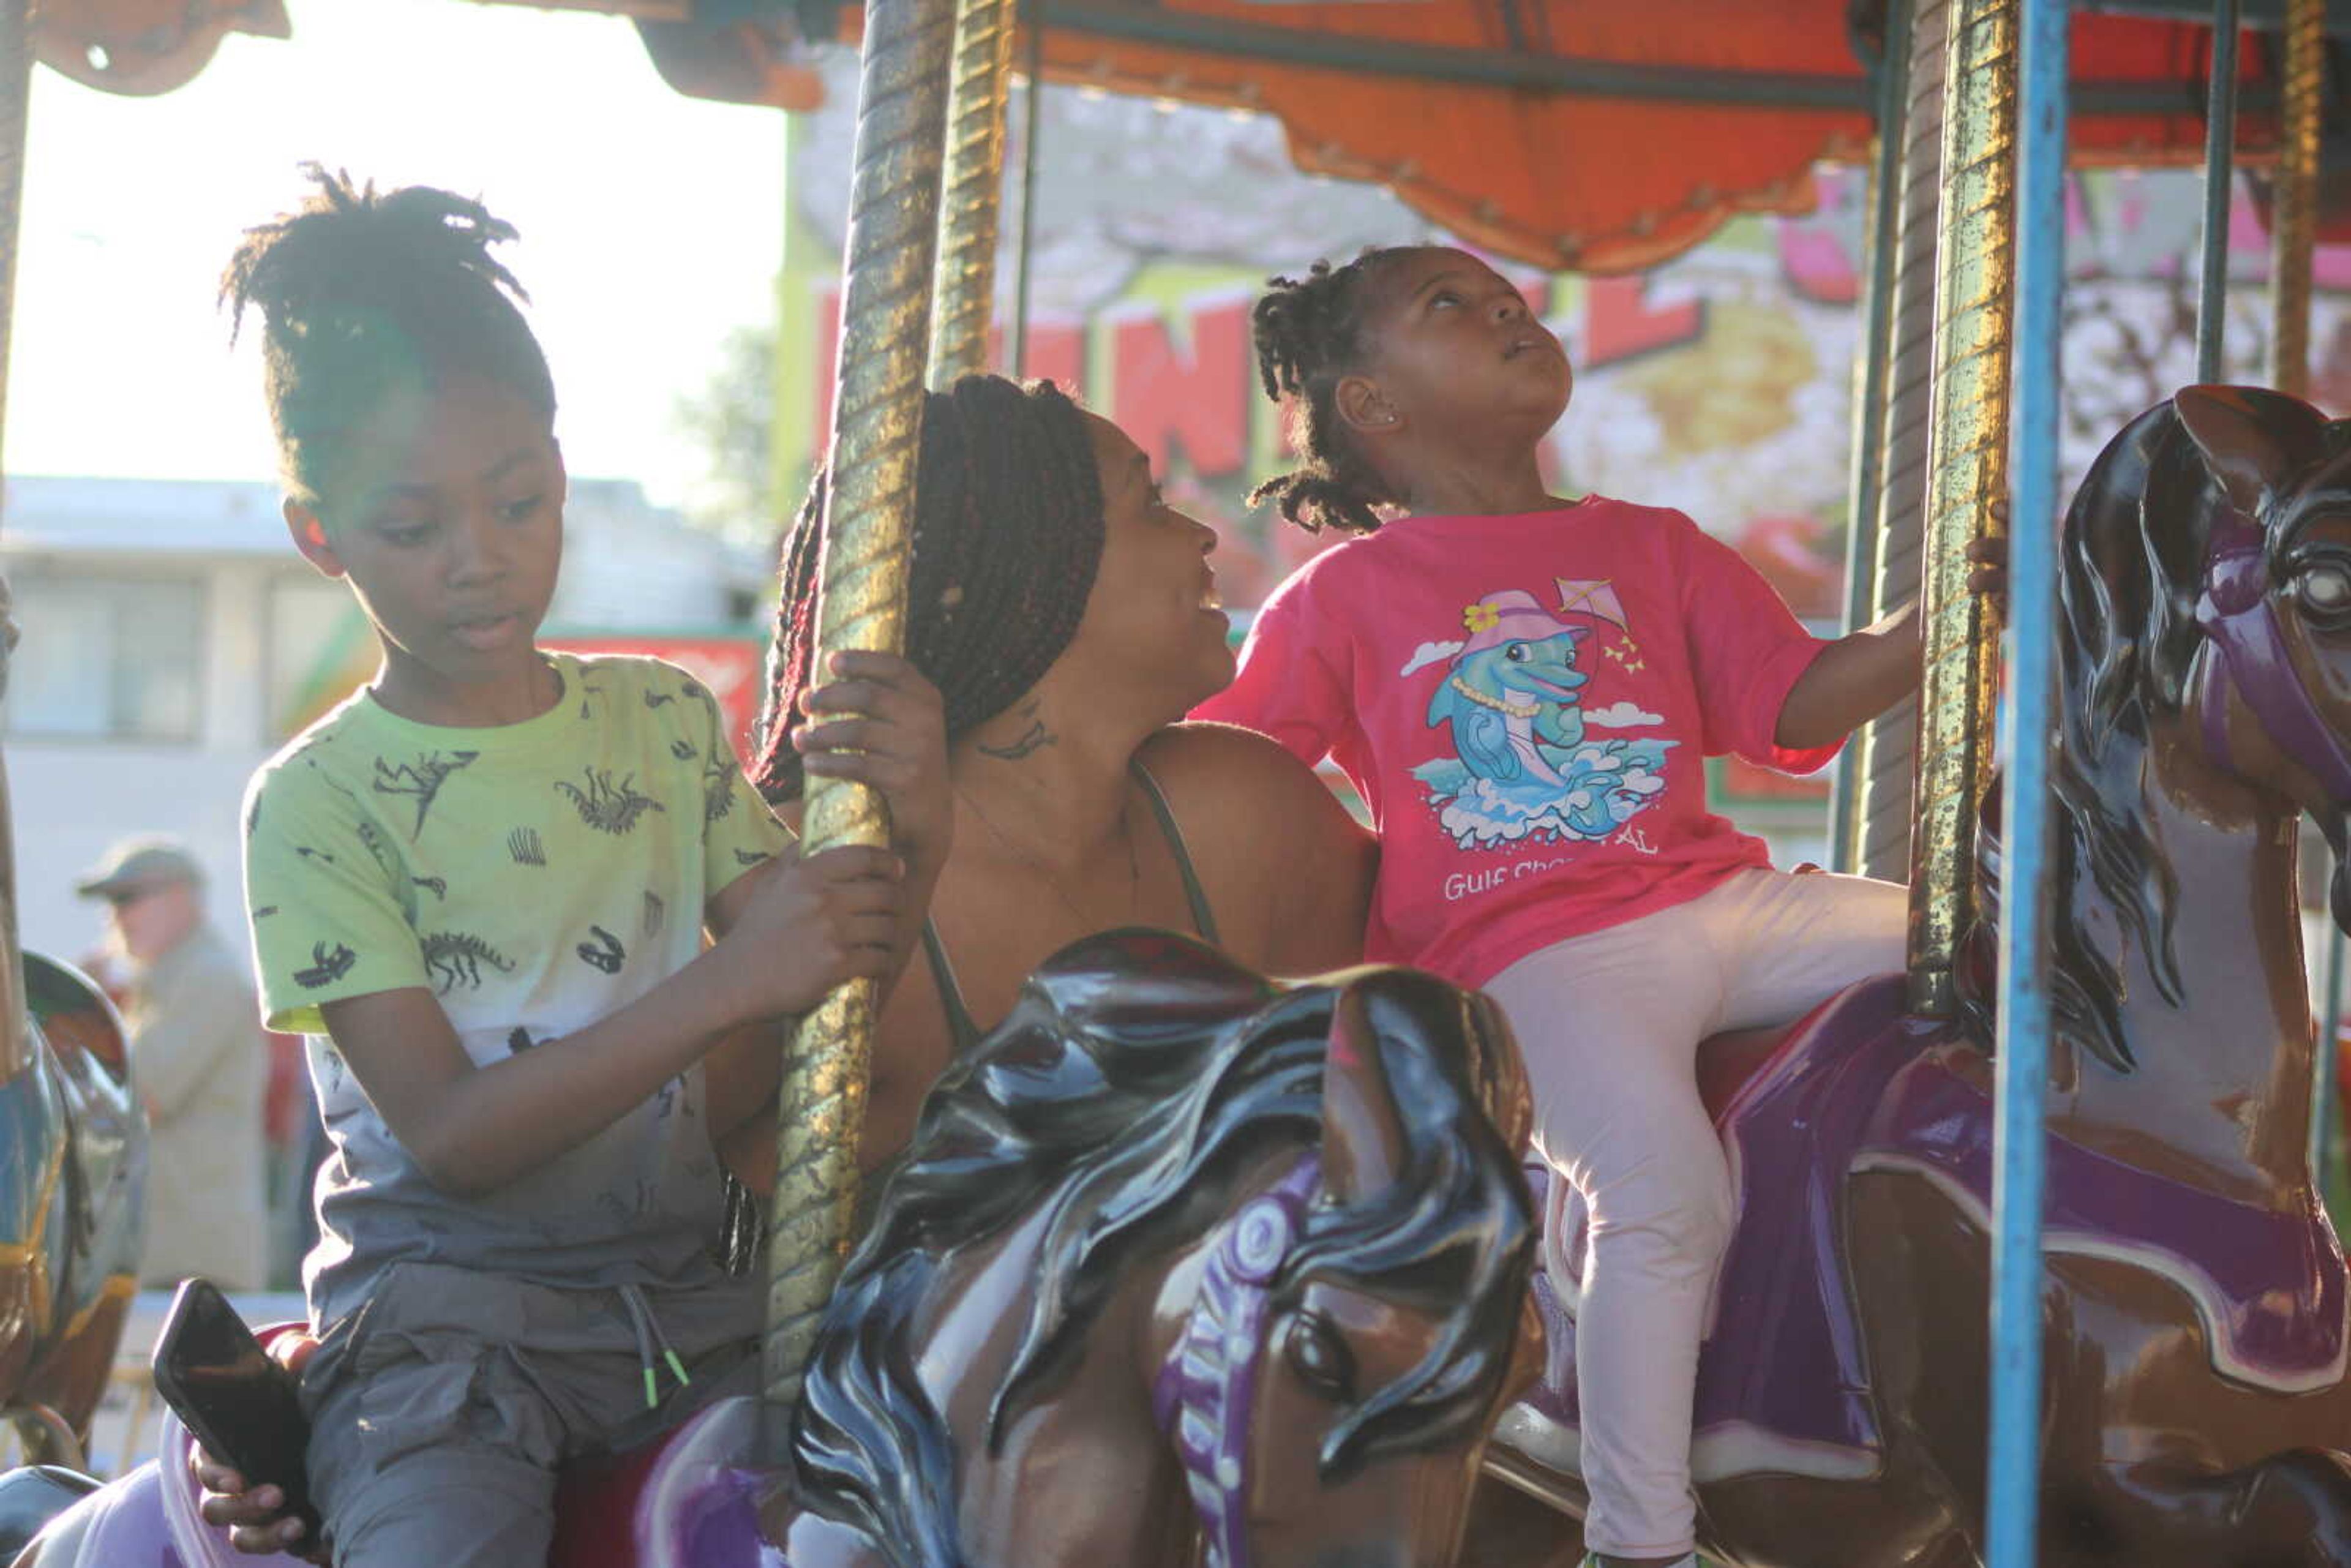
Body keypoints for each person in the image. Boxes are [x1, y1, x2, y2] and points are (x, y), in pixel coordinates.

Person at [201, 369, 1378, 1559]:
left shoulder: (1248, 811)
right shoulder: (779, 880)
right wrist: (318, 1381)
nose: (1202, 532)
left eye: (520, 505)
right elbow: (543, 1181)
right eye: (1149, 501)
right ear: (1017, 568)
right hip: (620, 1356)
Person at [1190, 246, 1998, 1568]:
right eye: (1449, 306)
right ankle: (1640, 1542)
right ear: (1371, 407)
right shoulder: (1339, 596)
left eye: (1506, 293)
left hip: (1723, 897)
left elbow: (1787, 706)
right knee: (1659, 1187)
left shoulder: (1651, 545)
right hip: (1533, 950)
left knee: (2003, 956)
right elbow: (1231, 768)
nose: (1506, 307)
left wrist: (1949, 610)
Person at [213, 167, 942, 1568]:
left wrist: (923, 823)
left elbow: (833, 979)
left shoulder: (659, 719)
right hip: (446, 1343)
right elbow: (456, 1133)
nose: (480, 561)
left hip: (693, 1317)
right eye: (413, 529)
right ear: (321, 534)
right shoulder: (314, 803)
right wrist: (734, 980)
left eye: (520, 500)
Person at [74, 835, 270, 1291]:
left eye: (128, 898)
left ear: (181, 895)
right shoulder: (165, 983)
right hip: (173, 1255)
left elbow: (137, 1098)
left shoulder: (207, 977)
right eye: (110, 902)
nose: (116, 916)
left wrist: (82, 1013)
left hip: (195, 1260)